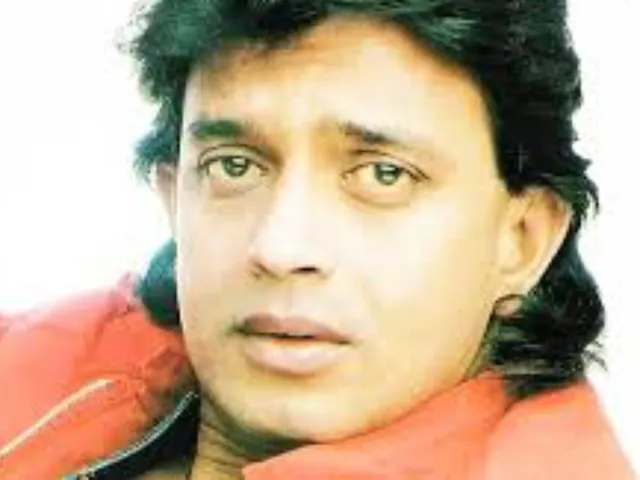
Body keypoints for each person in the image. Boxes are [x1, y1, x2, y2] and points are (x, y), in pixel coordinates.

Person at [0, 0, 635, 478]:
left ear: (521, 240)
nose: (281, 247)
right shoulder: (40, 361)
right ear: (175, 201)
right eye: (233, 165)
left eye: (384, 175)